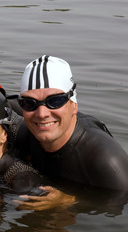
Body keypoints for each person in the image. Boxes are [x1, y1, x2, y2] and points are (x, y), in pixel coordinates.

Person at [15, 55, 128, 190]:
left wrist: (69, 200)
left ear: (74, 104)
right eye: (29, 103)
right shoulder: (26, 134)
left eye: (55, 101)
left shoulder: (105, 159)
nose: (41, 114)